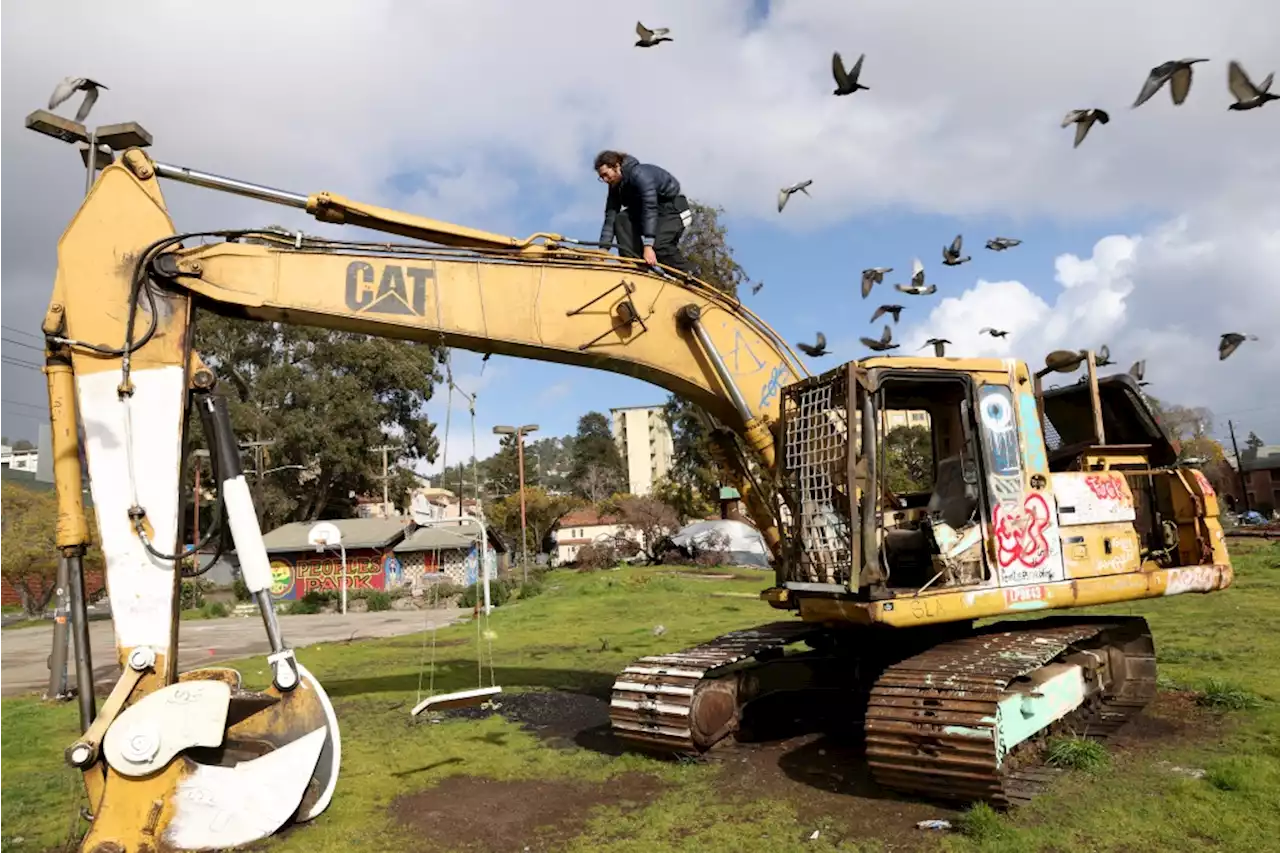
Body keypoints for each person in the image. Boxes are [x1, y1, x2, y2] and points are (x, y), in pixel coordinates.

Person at [594, 150, 693, 274]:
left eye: (606, 174)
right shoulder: (615, 187)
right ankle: (634, 264)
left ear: (617, 166)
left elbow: (650, 207)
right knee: (622, 219)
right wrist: (603, 250)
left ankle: (689, 275)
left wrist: (648, 246)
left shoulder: (640, 174)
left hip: (673, 211)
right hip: (650, 214)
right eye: (601, 177)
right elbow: (610, 218)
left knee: (658, 246)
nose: (605, 179)